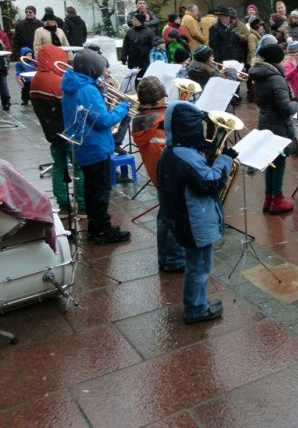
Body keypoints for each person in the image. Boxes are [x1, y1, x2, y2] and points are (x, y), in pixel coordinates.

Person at [157, 101, 235, 323]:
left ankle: (196, 302)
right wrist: (224, 159)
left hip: (183, 216)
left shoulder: (170, 153)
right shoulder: (186, 158)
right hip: (195, 221)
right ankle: (196, 308)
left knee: (195, 264)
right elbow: (211, 182)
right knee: (199, 266)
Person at [61, 49, 130, 244]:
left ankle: (95, 227)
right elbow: (104, 120)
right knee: (100, 191)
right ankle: (102, 229)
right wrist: (123, 107)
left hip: (84, 146)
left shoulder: (74, 85)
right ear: (92, 70)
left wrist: (102, 94)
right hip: (96, 147)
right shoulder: (87, 90)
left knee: (92, 190)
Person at [131, 77, 184, 272]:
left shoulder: (141, 119)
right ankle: (174, 259)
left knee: (164, 217)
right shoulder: (159, 123)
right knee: (174, 220)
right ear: (155, 102)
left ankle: (165, 256)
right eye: (163, 96)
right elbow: (170, 153)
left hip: (157, 176)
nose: (165, 99)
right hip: (170, 178)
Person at [30, 45, 85, 217]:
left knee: (59, 167)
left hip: (52, 133)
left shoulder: (37, 78)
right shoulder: (55, 82)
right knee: (79, 168)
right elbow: (74, 105)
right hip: (68, 132)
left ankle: (63, 203)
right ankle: (82, 205)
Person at [250, 44, 297, 214]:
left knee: (271, 161)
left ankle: (268, 198)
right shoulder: (276, 78)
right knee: (280, 161)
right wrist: (296, 103)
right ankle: (277, 199)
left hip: (265, 120)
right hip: (278, 124)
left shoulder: (260, 75)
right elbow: (285, 107)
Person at [121, 12, 155, 79]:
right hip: (133, 59)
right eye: (133, 19)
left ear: (140, 21)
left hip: (145, 59)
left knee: (143, 77)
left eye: (135, 19)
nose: (132, 20)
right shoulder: (130, 31)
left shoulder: (149, 32)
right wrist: (123, 57)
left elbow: (153, 45)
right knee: (134, 78)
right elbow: (125, 45)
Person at [0, 35, 10, 110]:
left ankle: (6, 102)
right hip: (2, 67)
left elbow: (6, 49)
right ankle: (6, 102)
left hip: (1, 67)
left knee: (4, 86)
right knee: (3, 86)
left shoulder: (2, 34)